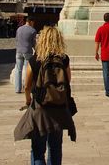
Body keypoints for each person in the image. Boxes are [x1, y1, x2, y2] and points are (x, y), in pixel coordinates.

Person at [23, 26, 76, 165]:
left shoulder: (35, 60)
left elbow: (27, 85)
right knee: (55, 147)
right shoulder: (64, 59)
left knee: (38, 149)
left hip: (40, 107)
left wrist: (28, 99)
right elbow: (68, 80)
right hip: (58, 107)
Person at [15, 15, 38, 94]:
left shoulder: (19, 29)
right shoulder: (33, 30)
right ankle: (26, 87)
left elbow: (17, 39)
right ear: (31, 22)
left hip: (18, 51)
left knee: (18, 70)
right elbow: (33, 43)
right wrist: (37, 51)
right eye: (33, 22)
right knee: (26, 70)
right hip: (27, 51)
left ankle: (17, 88)